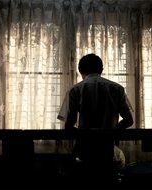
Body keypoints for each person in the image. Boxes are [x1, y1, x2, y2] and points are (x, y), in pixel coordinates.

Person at [57, 53, 133, 185]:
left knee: (86, 180)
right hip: (107, 148)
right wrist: (110, 133)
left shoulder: (75, 90)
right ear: (101, 69)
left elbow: (69, 126)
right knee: (107, 180)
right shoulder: (116, 88)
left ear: (80, 71)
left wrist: (84, 134)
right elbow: (128, 120)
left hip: (85, 148)